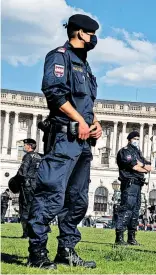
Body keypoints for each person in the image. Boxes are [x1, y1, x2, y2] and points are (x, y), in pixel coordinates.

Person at [27, 14, 101, 269]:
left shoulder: (84, 65)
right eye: (91, 34)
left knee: (77, 199)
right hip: (63, 138)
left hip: (82, 142)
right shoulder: (60, 56)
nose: (94, 39)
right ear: (80, 33)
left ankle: (66, 250)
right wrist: (80, 121)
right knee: (50, 194)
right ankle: (36, 252)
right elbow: (54, 93)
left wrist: (94, 123)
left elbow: (85, 102)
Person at [115, 131, 152, 245]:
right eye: (134, 138)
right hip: (129, 183)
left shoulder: (138, 153)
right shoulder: (125, 151)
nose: (136, 140)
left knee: (135, 211)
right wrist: (141, 166)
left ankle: (131, 237)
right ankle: (119, 237)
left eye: (138, 138)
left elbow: (149, 166)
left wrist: (142, 165)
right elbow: (135, 167)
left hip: (138, 184)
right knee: (126, 209)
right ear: (129, 139)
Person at [17, 139, 42, 238]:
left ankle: (26, 232)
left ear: (29, 146)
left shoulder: (27, 156)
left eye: (25, 145)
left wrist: (18, 181)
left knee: (24, 208)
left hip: (27, 185)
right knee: (35, 208)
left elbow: (23, 171)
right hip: (37, 185)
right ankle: (35, 231)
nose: (23, 147)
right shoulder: (40, 156)